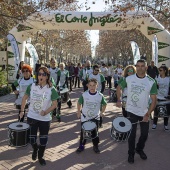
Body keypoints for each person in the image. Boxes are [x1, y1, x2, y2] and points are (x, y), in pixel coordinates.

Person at [116, 59, 157, 164]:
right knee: (132, 135)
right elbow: (119, 87)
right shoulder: (129, 78)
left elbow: (154, 100)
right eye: (138, 66)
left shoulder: (151, 81)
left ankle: (139, 149)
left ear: (146, 67)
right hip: (131, 111)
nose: (140, 68)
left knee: (144, 135)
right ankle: (131, 153)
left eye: (142, 66)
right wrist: (119, 99)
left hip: (144, 112)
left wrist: (148, 113)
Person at [20, 66, 59, 166]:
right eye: (39, 74)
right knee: (31, 139)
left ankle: (41, 156)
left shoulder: (51, 89)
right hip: (32, 116)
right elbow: (24, 98)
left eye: (43, 74)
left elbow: (55, 104)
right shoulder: (32, 86)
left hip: (45, 119)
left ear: (47, 77)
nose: (41, 76)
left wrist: (46, 112)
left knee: (43, 139)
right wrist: (22, 110)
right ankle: (35, 148)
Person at [76, 78, 107, 154]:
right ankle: (81, 146)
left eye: (94, 85)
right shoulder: (84, 94)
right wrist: (78, 111)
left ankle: (95, 146)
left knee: (94, 133)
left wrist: (102, 112)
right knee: (83, 133)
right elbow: (79, 103)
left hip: (95, 117)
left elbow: (104, 104)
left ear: (97, 86)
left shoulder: (100, 95)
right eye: (90, 85)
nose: (92, 87)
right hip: (85, 117)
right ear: (88, 86)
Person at [152, 65, 170, 130]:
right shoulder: (156, 78)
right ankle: (154, 124)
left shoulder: (168, 79)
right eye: (159, 70)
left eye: (161, 70)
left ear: (165, 71)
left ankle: (165, 125)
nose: (159, 71)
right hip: (158, 98)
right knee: (156, 112)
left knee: (166, 113)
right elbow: (153, 88)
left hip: (166, 98)